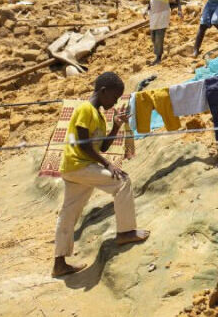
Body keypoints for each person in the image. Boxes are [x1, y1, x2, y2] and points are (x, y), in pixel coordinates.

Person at [53, 72, 150, 277]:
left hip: (76, 168)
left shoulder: (97, 115)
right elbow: (83, 144)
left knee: (68, 213)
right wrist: (108, 164)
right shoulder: (85, 109)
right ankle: (126, 232)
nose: (115, 101)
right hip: (79, 165)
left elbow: (102, 146)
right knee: (122, 182)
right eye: (114, 97)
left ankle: (59, 264)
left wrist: (115, 125)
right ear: (103, 91)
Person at [146, 0, 178, 65]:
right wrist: (146, 10)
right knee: (153, 36)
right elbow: (149, 1)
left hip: (163, 14)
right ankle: (158, 52)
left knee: (159, 35)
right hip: (154, 15)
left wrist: (176, 7)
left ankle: (158, 57)